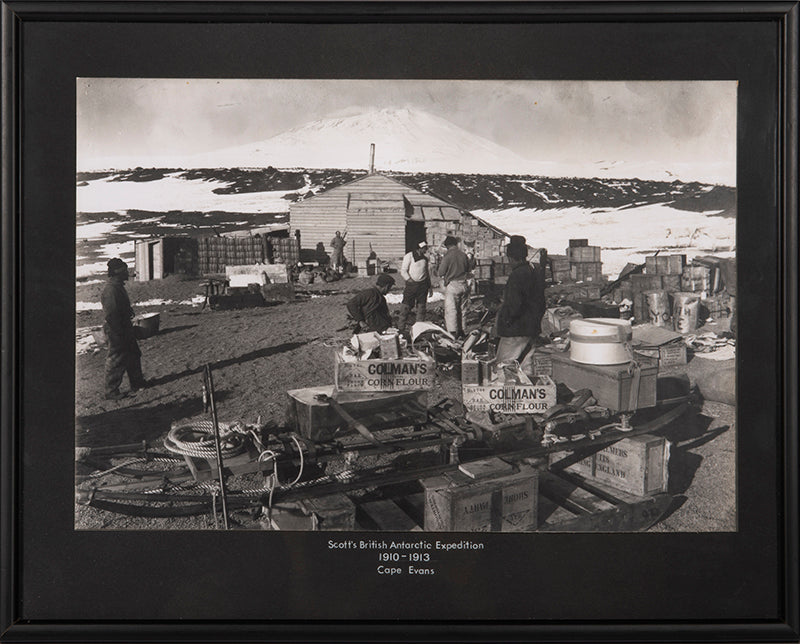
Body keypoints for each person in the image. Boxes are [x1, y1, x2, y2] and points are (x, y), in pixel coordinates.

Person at [494, 235, 546, 376]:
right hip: (531, 326)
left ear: (511, 257)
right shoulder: (534, 270)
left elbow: (514, 305)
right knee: (526, 367)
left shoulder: (517, 275)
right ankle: (526, 394)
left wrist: (505, 319)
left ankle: (506, 395)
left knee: (504, 367)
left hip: (516, 330)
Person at [101, 258, 148, 400]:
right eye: (125, 271)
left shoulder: (117, 286)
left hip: (124, 327)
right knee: (116, 359)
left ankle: (137, 383)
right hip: (117, 329)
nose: (127, 273)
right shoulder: (111, 289)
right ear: (118, 273)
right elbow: (112, 314)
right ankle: (111, 391)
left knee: (133, 354)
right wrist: (119, 333)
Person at [437, 236, 471, 338]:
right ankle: (463, 330)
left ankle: (452, 333)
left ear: (448, 245)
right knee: (463, 309)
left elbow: (441, 272)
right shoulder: (463, 255)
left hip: (452, 284)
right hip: (464, 284)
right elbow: (469, 268)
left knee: (451, 310)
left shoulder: (447, 256)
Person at [397, 241, 432, 334]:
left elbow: (427, 273)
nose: (425, 250)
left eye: (426, 248)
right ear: (419, 248)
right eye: (424, 248)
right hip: (411, 286)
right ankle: (401, 328)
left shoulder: (425, 258)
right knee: (406, 307)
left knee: (421, 308)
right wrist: (409, 280)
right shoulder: (409, 256)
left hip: (423, 286)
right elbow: (403, 271)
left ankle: (419, 329)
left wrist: (430, 286)